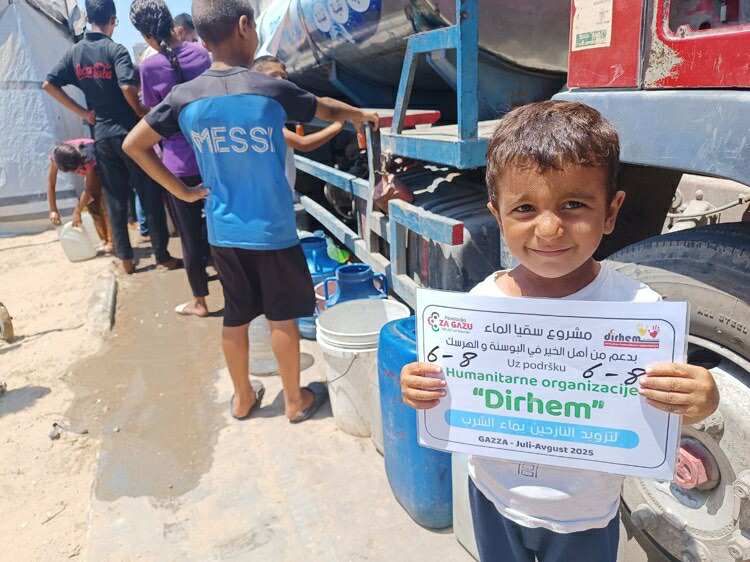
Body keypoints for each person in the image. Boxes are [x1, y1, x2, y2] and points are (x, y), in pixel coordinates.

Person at [399, 101, 720, 562]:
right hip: (492, 498)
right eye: (525, 208)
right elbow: (450, 384)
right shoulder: (480, 302)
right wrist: (421, 386)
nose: (549, 228)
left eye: (573, 205)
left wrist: (700, 399)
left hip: (585, 517)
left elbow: (664, 409)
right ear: (498, 216)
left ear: (611, 211)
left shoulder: (641, 311)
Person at [123, 0, 379, 422]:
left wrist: (183, 192)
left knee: (236, 316)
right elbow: (326, 108)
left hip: (223, 231)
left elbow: (133, 144)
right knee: (282, 318)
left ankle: (242, 398)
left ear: (204, 38)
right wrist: (360, 115)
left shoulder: (184, 97)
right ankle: (294, 401)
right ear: (244, 26)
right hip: (273, 229)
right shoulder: (268, 88)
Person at [42, 0, 179, 275]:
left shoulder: (75, 53)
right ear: (113, 20)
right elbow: (128, 87)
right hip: (130, 135)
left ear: (88, 17)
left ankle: (126, 260)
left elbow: (48, 84)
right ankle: (162, 256)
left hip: (102, 136)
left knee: (116, 200)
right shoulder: (116, 50)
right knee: (149, 193)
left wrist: (83, 112)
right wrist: (141, 111)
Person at [131, 0, 212, 317]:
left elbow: (154, 110)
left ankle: (200, 302)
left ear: (146, 36)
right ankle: (237, 288)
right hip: (212, 155)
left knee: (189, 237)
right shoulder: (201, 54)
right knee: (221, 226)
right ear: (171, 24)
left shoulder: (149, 68)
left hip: (178, 164)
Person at [252, 55, 344, 191]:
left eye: (284, 77)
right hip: (273, 197)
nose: (281, 81)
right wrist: (338, 125)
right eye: (273, 76)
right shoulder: (262, 116)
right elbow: (303, 144)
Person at [47, 139, 113, 252]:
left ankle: (112, 241)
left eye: (77, 169)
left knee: (106, 204)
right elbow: (51, 183)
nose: (76, 172)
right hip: (87, 168)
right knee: (92, 205)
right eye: (74, 171)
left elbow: (88, 189)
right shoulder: (56, 157)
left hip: (103, 166)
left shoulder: (88, 156)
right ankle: (104, 240)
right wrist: (53, 209)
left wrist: (77, 212)